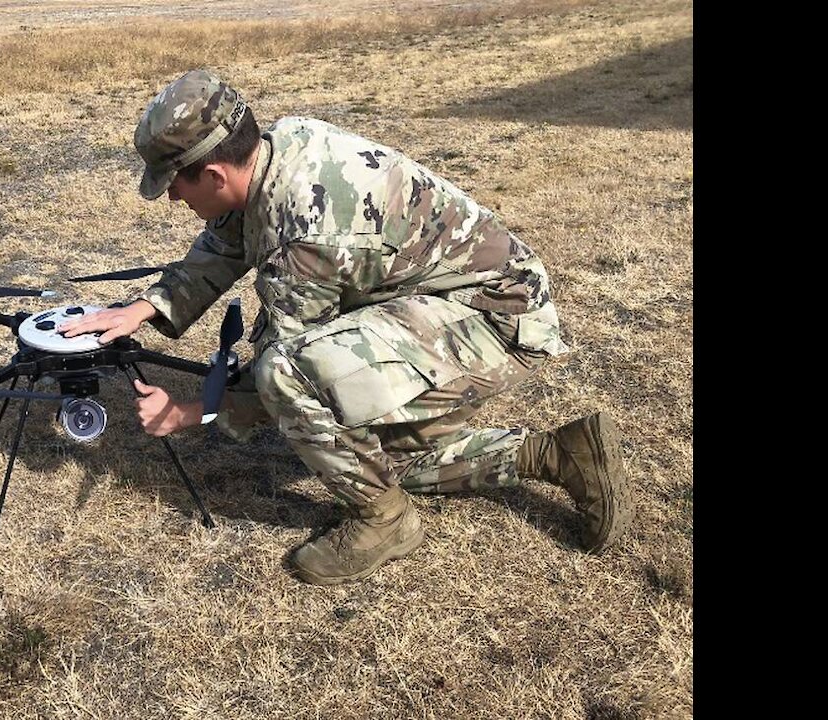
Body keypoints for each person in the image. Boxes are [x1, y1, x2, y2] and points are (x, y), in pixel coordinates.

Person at [60, 69, 632, 586]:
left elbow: (280, 365)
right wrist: (149, 307)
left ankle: (382, 520)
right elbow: (230, 233)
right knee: (382, 460)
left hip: (495, 318)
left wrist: (195, 411)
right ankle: (559, 455)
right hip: (446, 302)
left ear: (212, 172)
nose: (173, 199)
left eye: (175, 185)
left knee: (290, 376)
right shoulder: (275, 150)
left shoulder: (307, 228)